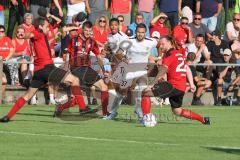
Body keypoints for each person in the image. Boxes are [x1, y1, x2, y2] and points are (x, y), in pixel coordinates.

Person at [0, 17, 94, 123]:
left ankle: (7, 116)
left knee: (27, 96)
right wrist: (23, 34)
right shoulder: (38, 33)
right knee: (75, 80)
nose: (48, 29)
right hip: (47, 68)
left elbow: (33, 37)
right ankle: (82, 108)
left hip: (38, 71)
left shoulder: (40, 36)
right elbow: (30, 35)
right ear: (40, 27)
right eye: (46, 26)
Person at [142, 36, 210, 125]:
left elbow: (163, 70)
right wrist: (192, 84)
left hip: (172, 85)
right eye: (160, 44)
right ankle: (203, 119)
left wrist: (152, 84)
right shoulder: (179, 54)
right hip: (181, 88)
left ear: (170, 43)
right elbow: (187, 68)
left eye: (163, 44)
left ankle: (147, 119)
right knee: (177, 111)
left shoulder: (169, 55)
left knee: (145, 93)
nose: (161, 46)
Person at [55, 21, 109, 117]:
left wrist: (104, 71)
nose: (88, 32)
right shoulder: (73, 39)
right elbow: (67, 54)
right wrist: (66, 69)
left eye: (90, 31)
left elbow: (99, 57)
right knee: (79, 97)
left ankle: (105, 113)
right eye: (86, 30)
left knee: (104, 87)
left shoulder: (92, 42)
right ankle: (80, 108)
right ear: (82, 30)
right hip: (76, 69)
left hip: (87, 69)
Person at [106, 23, 158, 120]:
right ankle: (112, 112)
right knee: (122, 92)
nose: (140, 34)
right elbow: (119, 53)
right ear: (135, 32)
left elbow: (160, 44)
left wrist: (160, 56)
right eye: (138, 32)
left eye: (142, 32)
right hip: (129, 71)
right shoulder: (129, 40)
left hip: (142, 71)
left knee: (142, 89)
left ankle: (138, 109)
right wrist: (124, 59)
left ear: (145, 33)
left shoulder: (151, 41)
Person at [0, 25, 14, 104]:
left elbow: (11, 50)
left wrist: (7, 58)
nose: (1, 33)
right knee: (3, 80)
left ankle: (0, 98)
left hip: (5, 62)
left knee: (4, 81)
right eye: (0, 32)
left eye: (2, 31)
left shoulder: (7, 39)